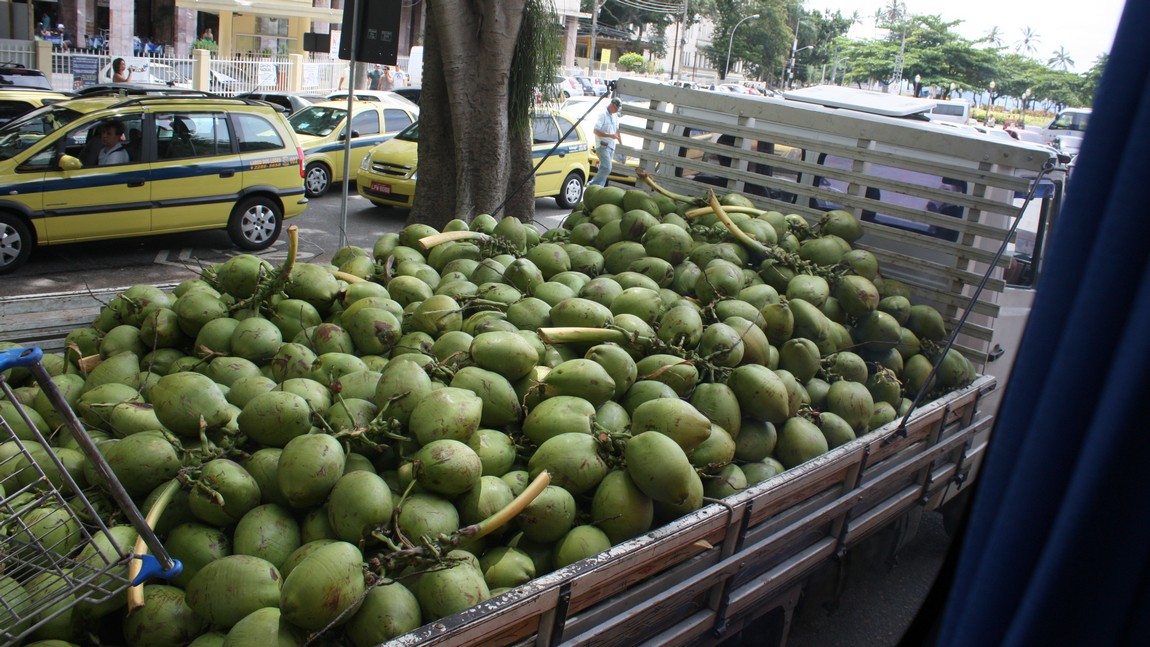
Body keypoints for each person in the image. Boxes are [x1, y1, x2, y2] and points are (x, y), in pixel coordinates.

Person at [589, 98, 622, 187]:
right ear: (611, 105)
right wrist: (610, 135)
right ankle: (592, 184)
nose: (616, 111)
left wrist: (621, 143)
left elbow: (617, 130)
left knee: (604, 168)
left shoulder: (615, 115)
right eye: (615, 109)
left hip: (611, 146)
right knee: (607, 167)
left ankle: (599, 187)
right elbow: (596, 130)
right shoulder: (603, 114)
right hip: (602, 145)